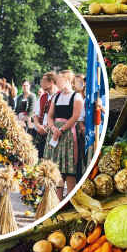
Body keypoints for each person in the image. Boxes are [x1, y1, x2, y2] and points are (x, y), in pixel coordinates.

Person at [45, 70, 83, 201]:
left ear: (67, 80)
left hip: (68, 134)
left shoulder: (76, 96)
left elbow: (75, 117)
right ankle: (58, 202)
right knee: (57, 170)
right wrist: (53, 128)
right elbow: (49, 116)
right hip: (55, 133)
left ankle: (71, 201)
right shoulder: (56, 96)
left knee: (69, 169)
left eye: (60, 79)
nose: (58, 82)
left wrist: (60, 129)